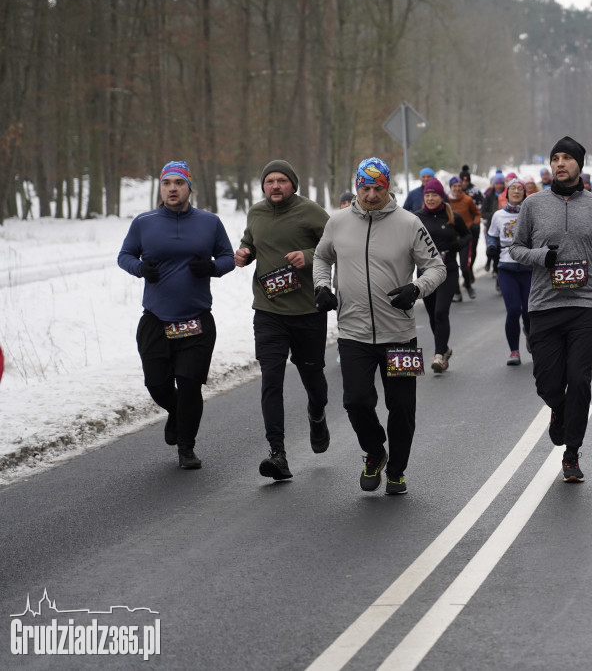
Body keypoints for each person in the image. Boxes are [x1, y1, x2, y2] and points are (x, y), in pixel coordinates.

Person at [312, 157, 446, 495]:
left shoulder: (409, 223)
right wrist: (322, 286)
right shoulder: (338, 222)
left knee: (401, 408)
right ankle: (375, 452)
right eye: (365, 188)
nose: (371, 195)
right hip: (353, 332)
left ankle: (397, 472)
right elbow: (321, 257)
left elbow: (437, 267)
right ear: (357, 187)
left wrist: (416, 288)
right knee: (356, 401)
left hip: (400, 333)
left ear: (388, 188)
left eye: (378, 188)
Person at [508, 136, 592, 483]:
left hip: (585, 305)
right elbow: (516, 248)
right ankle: (558, 409)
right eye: (555, 158)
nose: (560, 163)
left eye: (566, 158)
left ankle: (572, 453)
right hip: (545, 306)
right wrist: (541, 256)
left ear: (579, 164)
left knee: (579, 380)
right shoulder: (532, 204)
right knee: (548, 384)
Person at [117, 160, 235, 470]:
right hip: (156, 319)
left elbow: (228, 257)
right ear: (161, 187)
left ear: (189, 187)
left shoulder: (209, 222)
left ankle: (186, 448)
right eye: (167, 183)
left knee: (189, 384)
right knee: (157, 385)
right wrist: (140, 268)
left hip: (196, 319)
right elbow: (124, 256)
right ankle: (177, 412)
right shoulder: (144, 222)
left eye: (179, 183)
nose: (172, 188)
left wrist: (212, 268)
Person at [234, 160, 332, 481]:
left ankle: (316, 414)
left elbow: (336, 245)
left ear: (293, 184)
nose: (275, 186)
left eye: (282, 180)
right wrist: (245, 253)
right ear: (263, 186)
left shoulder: (310, 211)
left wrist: (308, 255)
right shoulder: (256, 213)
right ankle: (278, 453)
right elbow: (251, 241)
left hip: (306, 312)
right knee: (271, 380)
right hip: (269, 311)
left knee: (313, 379)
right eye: (270, 181)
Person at [415, 178, 470, 372]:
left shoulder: (452, 216)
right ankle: (444, 349)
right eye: (427, 195)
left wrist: (457, 245)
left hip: (448, 271)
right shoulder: (416, 218)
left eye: (434, 195)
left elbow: (467, 234)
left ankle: (438, 355)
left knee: (440, 312)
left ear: (441, 197)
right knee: (432, 315)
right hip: (425, 273)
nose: (430, 198)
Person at [486, 176, 532, 365]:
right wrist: (491, 246)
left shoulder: (531, 213)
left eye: (520, 189)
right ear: (507, 193)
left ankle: (529, 334)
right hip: (507, 268)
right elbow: (492, 236)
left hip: (529, 268)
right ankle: (514, 351)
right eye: (513, 188)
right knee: (513, 310)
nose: (516, 191)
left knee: (529, 311)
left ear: (524, 193)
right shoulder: (498, 215)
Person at [447, 176, 481, 301]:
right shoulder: (445, 201)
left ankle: (468, 285)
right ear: (450, 187)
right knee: (451, 266)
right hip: (450, 238)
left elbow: (477, 213)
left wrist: (474, 224)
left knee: (464, 265)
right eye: (454, 186)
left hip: (464, 236)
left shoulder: (467, 199)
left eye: (459, 186)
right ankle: (457, 292)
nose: (457, 188)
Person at [481, 171, 507, 274]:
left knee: (501, 250)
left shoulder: (507, 195)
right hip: (491, 227)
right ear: (493, 184)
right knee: (492, 249)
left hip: (504, 228)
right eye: (497, 183)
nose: (499, 186)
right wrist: (495, 215)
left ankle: (498, 272)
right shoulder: (489, 196)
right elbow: (483, 212)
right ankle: (491, 264)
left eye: (501, 183)